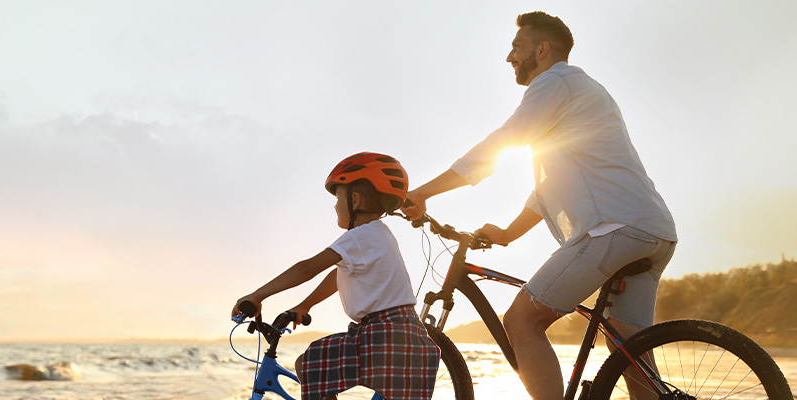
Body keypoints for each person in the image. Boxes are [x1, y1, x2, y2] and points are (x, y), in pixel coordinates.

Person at [401, 11, 677, 400]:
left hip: (613, 230)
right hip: (652, 230)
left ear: (542, 50)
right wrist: (509, 234)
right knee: (630, 352)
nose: (509, 57)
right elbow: (548, 188)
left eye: (517, 47)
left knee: (522, 321)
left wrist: (424, 192)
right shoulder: (581, 91)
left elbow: (503, 142)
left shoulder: (554, 82)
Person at [232, 152, 440, 400]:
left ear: (355, 199)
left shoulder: (359, 236)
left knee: (310, 362)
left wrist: (257, 296)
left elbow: (306, 269)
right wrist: (305, 305)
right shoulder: (379, 234)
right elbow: (339, 274)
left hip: (382, 334)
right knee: (317, 363)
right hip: (401, 334)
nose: (334, 205)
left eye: (338, 196)